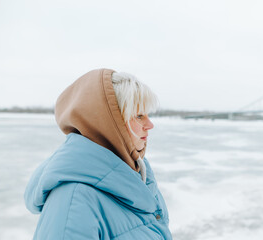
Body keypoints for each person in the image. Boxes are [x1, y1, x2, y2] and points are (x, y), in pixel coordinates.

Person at [24, 68, 172, 240]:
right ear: (110, 123)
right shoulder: (74, 199)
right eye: (139, 116)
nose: (150, 124)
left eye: (147, 115)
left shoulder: (139, 174)